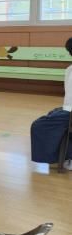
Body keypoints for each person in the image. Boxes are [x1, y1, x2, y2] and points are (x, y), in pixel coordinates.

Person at [30, 37, 72, 169]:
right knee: (52, 114)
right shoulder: (69, 69)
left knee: (38, 126)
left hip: (69, 111)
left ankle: (60, 156)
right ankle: (64, 154)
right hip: (68, 109)